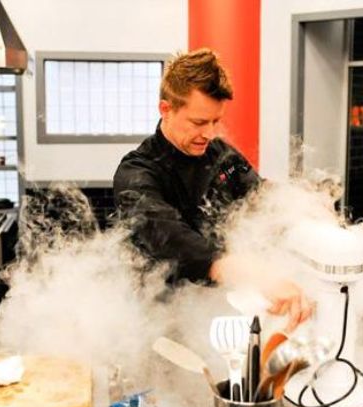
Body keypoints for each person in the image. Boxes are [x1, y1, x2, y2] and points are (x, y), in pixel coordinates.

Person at [113, 48, 312, 331]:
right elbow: (167, 235)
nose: (209, 133)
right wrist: (251, 272)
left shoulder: (221, 155)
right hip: (159, 320)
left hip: (217, 310)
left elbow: (258, 195)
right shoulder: (137, 172)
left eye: (215, 121)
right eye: (198, 122)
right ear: (166, 110)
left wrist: (305, 206)